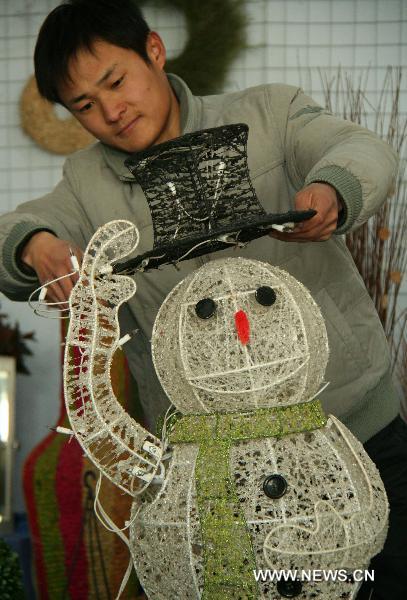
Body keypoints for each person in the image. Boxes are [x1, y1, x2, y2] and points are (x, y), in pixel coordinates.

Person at [0, 1, 404, 598]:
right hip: (213, 477)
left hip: (353, 433)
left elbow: (360, 147)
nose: (110, 111)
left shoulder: (268, 113)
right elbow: (17, 228)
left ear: (155, 52)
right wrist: (35, 246)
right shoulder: (85, 185)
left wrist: (333, 188)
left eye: (116, 81)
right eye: (84, 105)